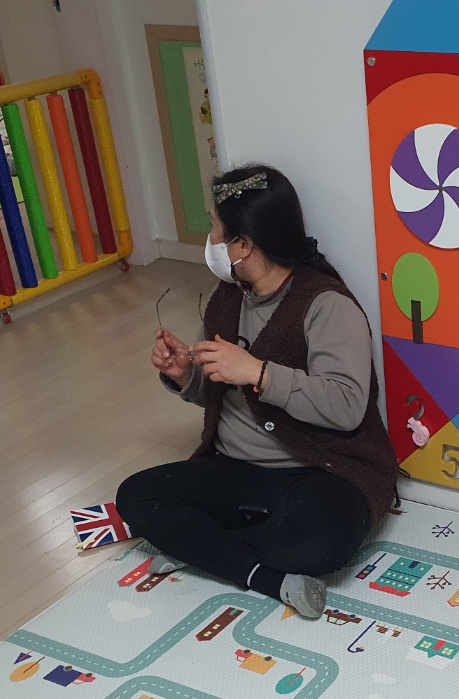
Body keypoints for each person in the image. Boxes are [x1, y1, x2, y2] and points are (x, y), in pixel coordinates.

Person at [116, 165, 397, 620]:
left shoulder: (326, 304)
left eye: (215, 227)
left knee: (322, 545)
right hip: (236, 469)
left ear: (243, 245)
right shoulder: (227, 298)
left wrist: (259, 373)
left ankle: (201, 545)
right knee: (136, 496)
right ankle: (266, 578)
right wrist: (186, 376)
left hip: (319, 470)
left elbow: (347, 406)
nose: (210, 239)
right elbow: (220, 395)